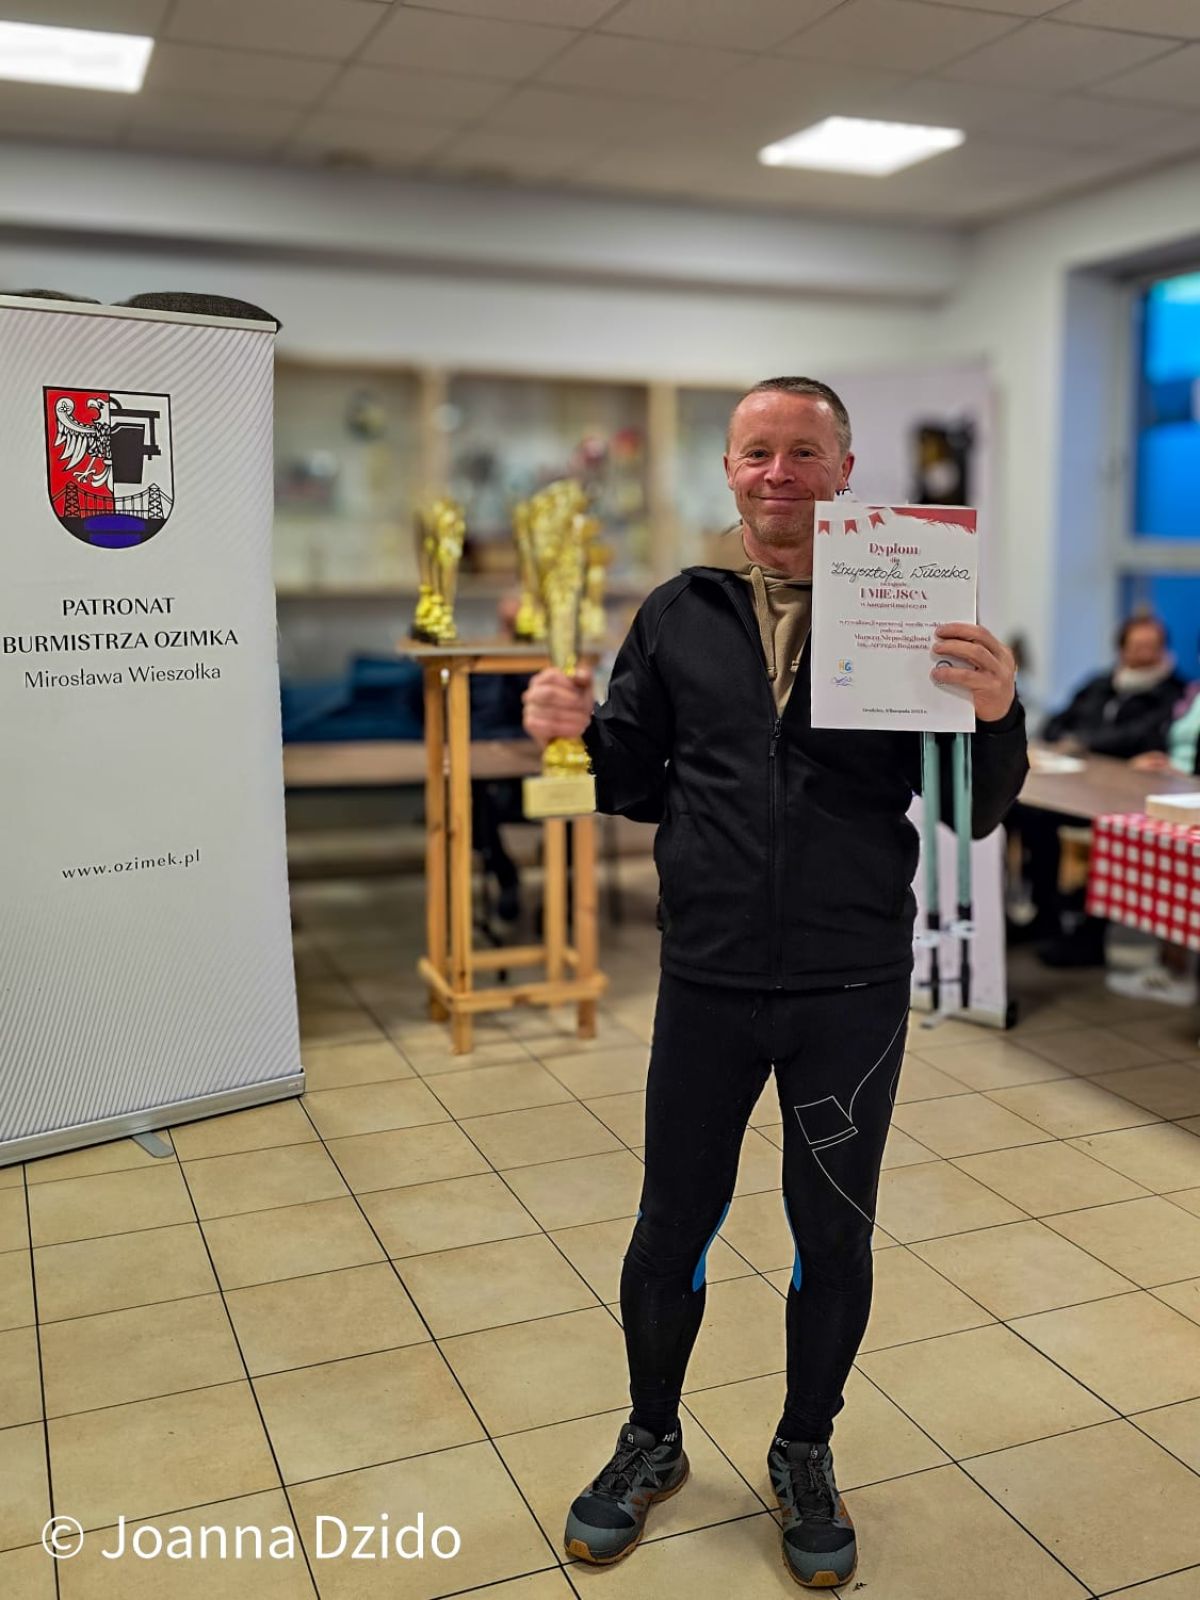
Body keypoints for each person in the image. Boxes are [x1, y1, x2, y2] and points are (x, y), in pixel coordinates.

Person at [522, 377, 1027, 1589]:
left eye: (805, 451)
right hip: (707, 976)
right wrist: (567, 727)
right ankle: (651, 1439)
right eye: (759, 452)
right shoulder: (678, 611)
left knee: (830, 1233)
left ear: (845, 470)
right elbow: (629, 780)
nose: (779, 472)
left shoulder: (913, 606)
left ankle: (806, 1448)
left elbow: (969, 811)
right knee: (672, 1224)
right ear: (731, 469)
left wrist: (998, 713)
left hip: (850, 986)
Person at [1012, 614, 1184, 965]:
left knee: (1109, 831)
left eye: (1151, 647)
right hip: (1078, 785)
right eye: (1137, 646)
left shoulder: (1175, 693)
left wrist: (1082, 743)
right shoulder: (1100, 684)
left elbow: (1142, 735)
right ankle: (1045, 915)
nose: (1144, 654)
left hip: (1129, 794)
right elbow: (1057, 722)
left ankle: (1092, 935)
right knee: (1029, 815)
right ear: (1122, 649)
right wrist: (1068, 740)